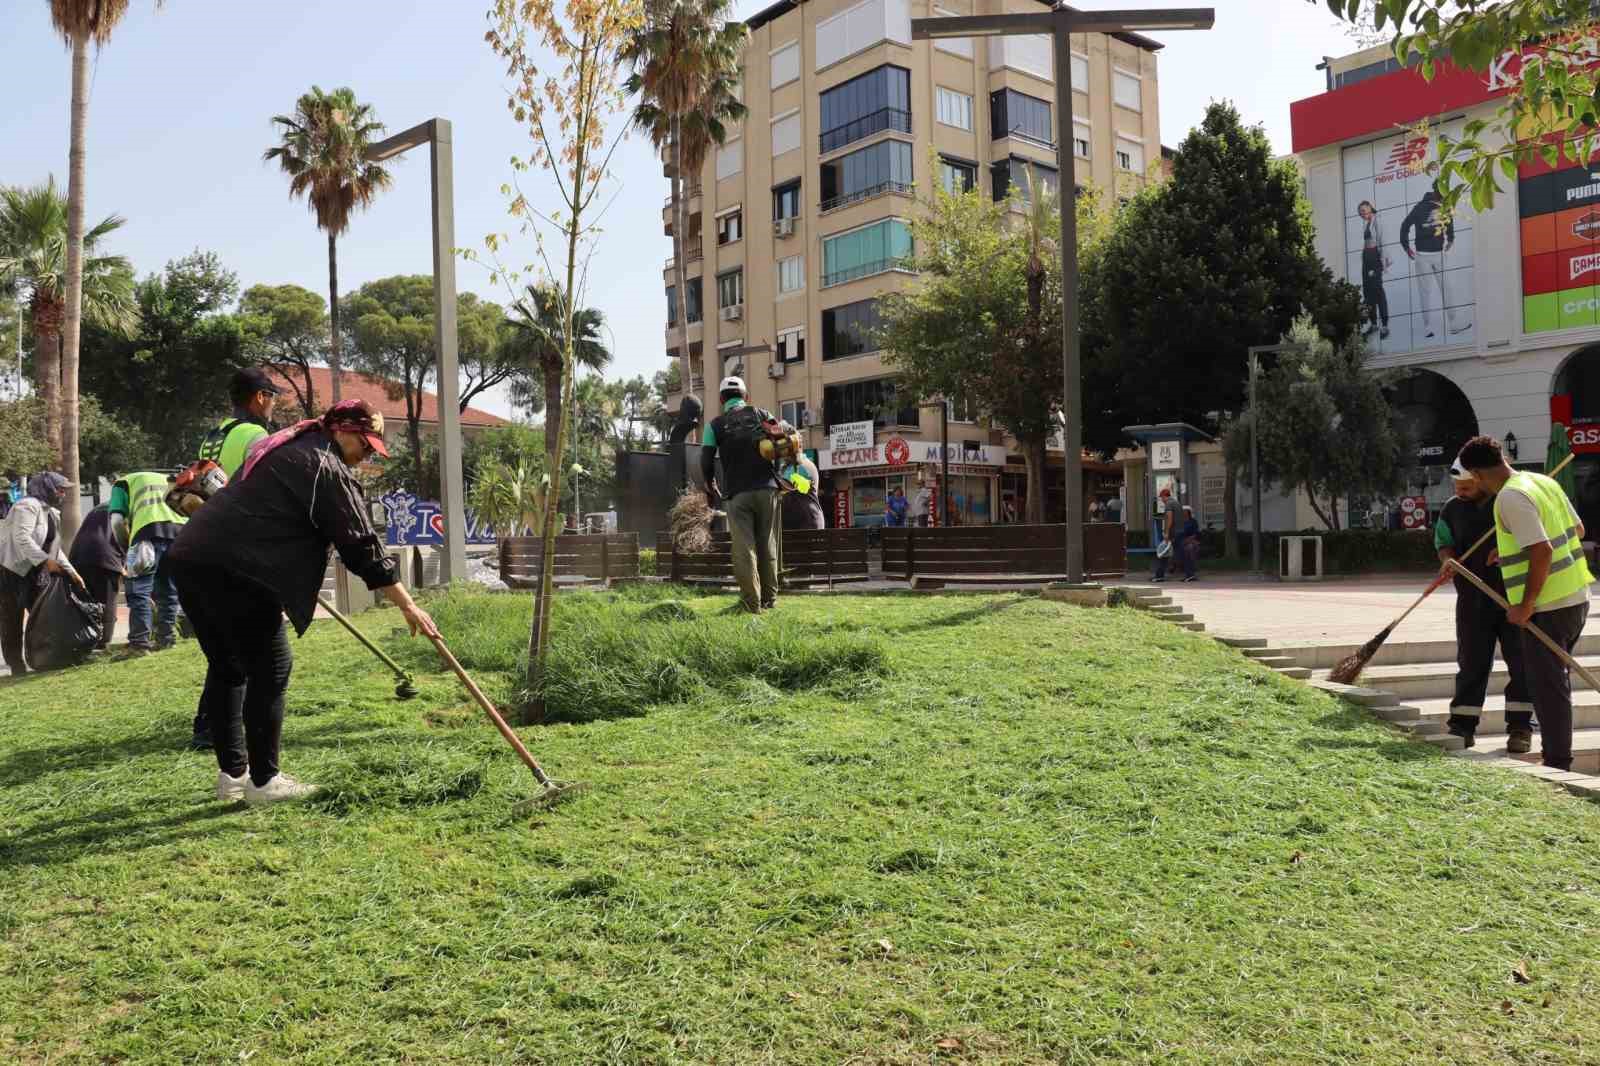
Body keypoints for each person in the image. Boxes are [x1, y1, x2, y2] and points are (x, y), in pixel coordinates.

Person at [167, 399, 439, 804]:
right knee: (271, 666)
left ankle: (234, 777)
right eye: (364, 445)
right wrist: (407, 604)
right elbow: (361, 546)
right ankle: (264, 782)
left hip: (192, 557)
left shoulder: (284, 446)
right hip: (236, 567)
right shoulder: (323, 466)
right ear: (343, 430)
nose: (365, 456)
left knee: (228, 668)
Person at [1458, 435, 1592, 771]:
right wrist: (1514, 550)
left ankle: (1558, 763)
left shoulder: (1510, 498)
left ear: (1475, 473)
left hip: (1547, 607)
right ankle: (1558, 756)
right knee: (1553, 682)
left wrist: (1525, 605)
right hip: (1576, 598)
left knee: (1548, 689)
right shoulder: (1542, 482)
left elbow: (1543, 550)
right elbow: (1576, 529)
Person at [1433, 458, 1534, 750]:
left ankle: (1520, 728)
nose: (1461, 492)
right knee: (1471, 664)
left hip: (1512, 598)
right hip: (1472, 598)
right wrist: (1447, 559)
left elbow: (1531, 541)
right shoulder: (1452, 508)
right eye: (1457, 487)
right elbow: (1443, 541)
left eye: (1466, 486)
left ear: (1480, 479)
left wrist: (1508, 553)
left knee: (1522, 664)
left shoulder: (1508, 502)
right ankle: (1462, 726)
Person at [701, 376, 782, 613]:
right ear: (746, 397)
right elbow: (780, 445)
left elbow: (705, 460)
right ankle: (770, 600)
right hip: (768, 490)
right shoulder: (763, 415)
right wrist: (774, 478)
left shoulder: (714, 425)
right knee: (767, 544)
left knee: (744, 548)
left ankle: (751, 602)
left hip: (738, 495)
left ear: (720, 399)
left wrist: (710, 484)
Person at [0, 473, 84, 674]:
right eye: (59, 489)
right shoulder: (26, 506)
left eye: (64, 489)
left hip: (36, 570)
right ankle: (16, 664)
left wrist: (73, 572)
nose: (63, 493)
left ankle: (46, 658)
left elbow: (54, 548)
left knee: (45, 616)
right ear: (46, 487)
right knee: (12, 619)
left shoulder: (52, 513)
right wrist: (45, 561)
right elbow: (22, 538)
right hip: (12, 569)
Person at [113, 470, 187, 655]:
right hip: (180, 533)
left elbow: (116, 521)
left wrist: (126, 548)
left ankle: (139, 644)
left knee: (138, 590)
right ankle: (166, 639)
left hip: (147, 533)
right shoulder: (166, 478)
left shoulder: (122, 483)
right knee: (169, 589)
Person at [1400, 187, 1471, 340]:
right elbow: (1405, 226)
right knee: (1436, 291)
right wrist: (1406, 248)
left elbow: (1449, 222)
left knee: (1437, 290)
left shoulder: (1431, 206)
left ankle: (1444, 325)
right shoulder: (1423, 207)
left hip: (1433, 254)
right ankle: (1435, 327)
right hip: (1426, 255)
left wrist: (1451, 238)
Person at [67, 502, 128, 653]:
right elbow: (125, 535)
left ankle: (86, 642)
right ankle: (103, 644)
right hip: (105, 556)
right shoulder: (124, 508)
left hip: (79, 556)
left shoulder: (99, 508)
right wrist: (124, 564)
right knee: (107, 601)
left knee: (86, 603)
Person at [199, 367, 281, 476]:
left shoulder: (212, 436)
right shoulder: (257, 435)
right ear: (260, 396)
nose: (274, 403)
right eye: (273, 396)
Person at [1356, 200, 1391, 341]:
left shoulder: (1378, 221)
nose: (1362, 214)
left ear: (1370, 208)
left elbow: (1383, 243)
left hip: (1374, 257)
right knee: (1368, 292)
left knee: (1378, 291)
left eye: (1364, 211)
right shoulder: (1367, 222)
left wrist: (1382, 264)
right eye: (1360, 212)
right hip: (1366, 258)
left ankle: (1384, 325)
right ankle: (1374, 323)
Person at [780, 452, 824, 531]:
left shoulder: (802, 465)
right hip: (799, 522)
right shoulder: (787, 467)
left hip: (806, 521)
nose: (781, 455)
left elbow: (787, 485)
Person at [1151, 487, 1178, 582]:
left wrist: (1166, 532)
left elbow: (1169, 519)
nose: (1161, 500)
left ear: (1164, 496)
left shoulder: (1169, 504)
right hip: (1178, 532)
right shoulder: (1175, 502)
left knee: (1163, 554)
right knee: (1177, 553)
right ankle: (1189, 574)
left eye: (1161, 497)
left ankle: (1159, 576)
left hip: (1173, 533)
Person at [1178, 505, 1202, 582]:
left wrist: (1189, 539)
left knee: (1190, 549)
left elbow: (1195, 534)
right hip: (1181, 541)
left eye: (1185, 512)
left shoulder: (1193, 521)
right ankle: (1190, 573)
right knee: (1185, 550)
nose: (1184, 513)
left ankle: (1190, 574)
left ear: (1188, 513)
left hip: (1191, 540)